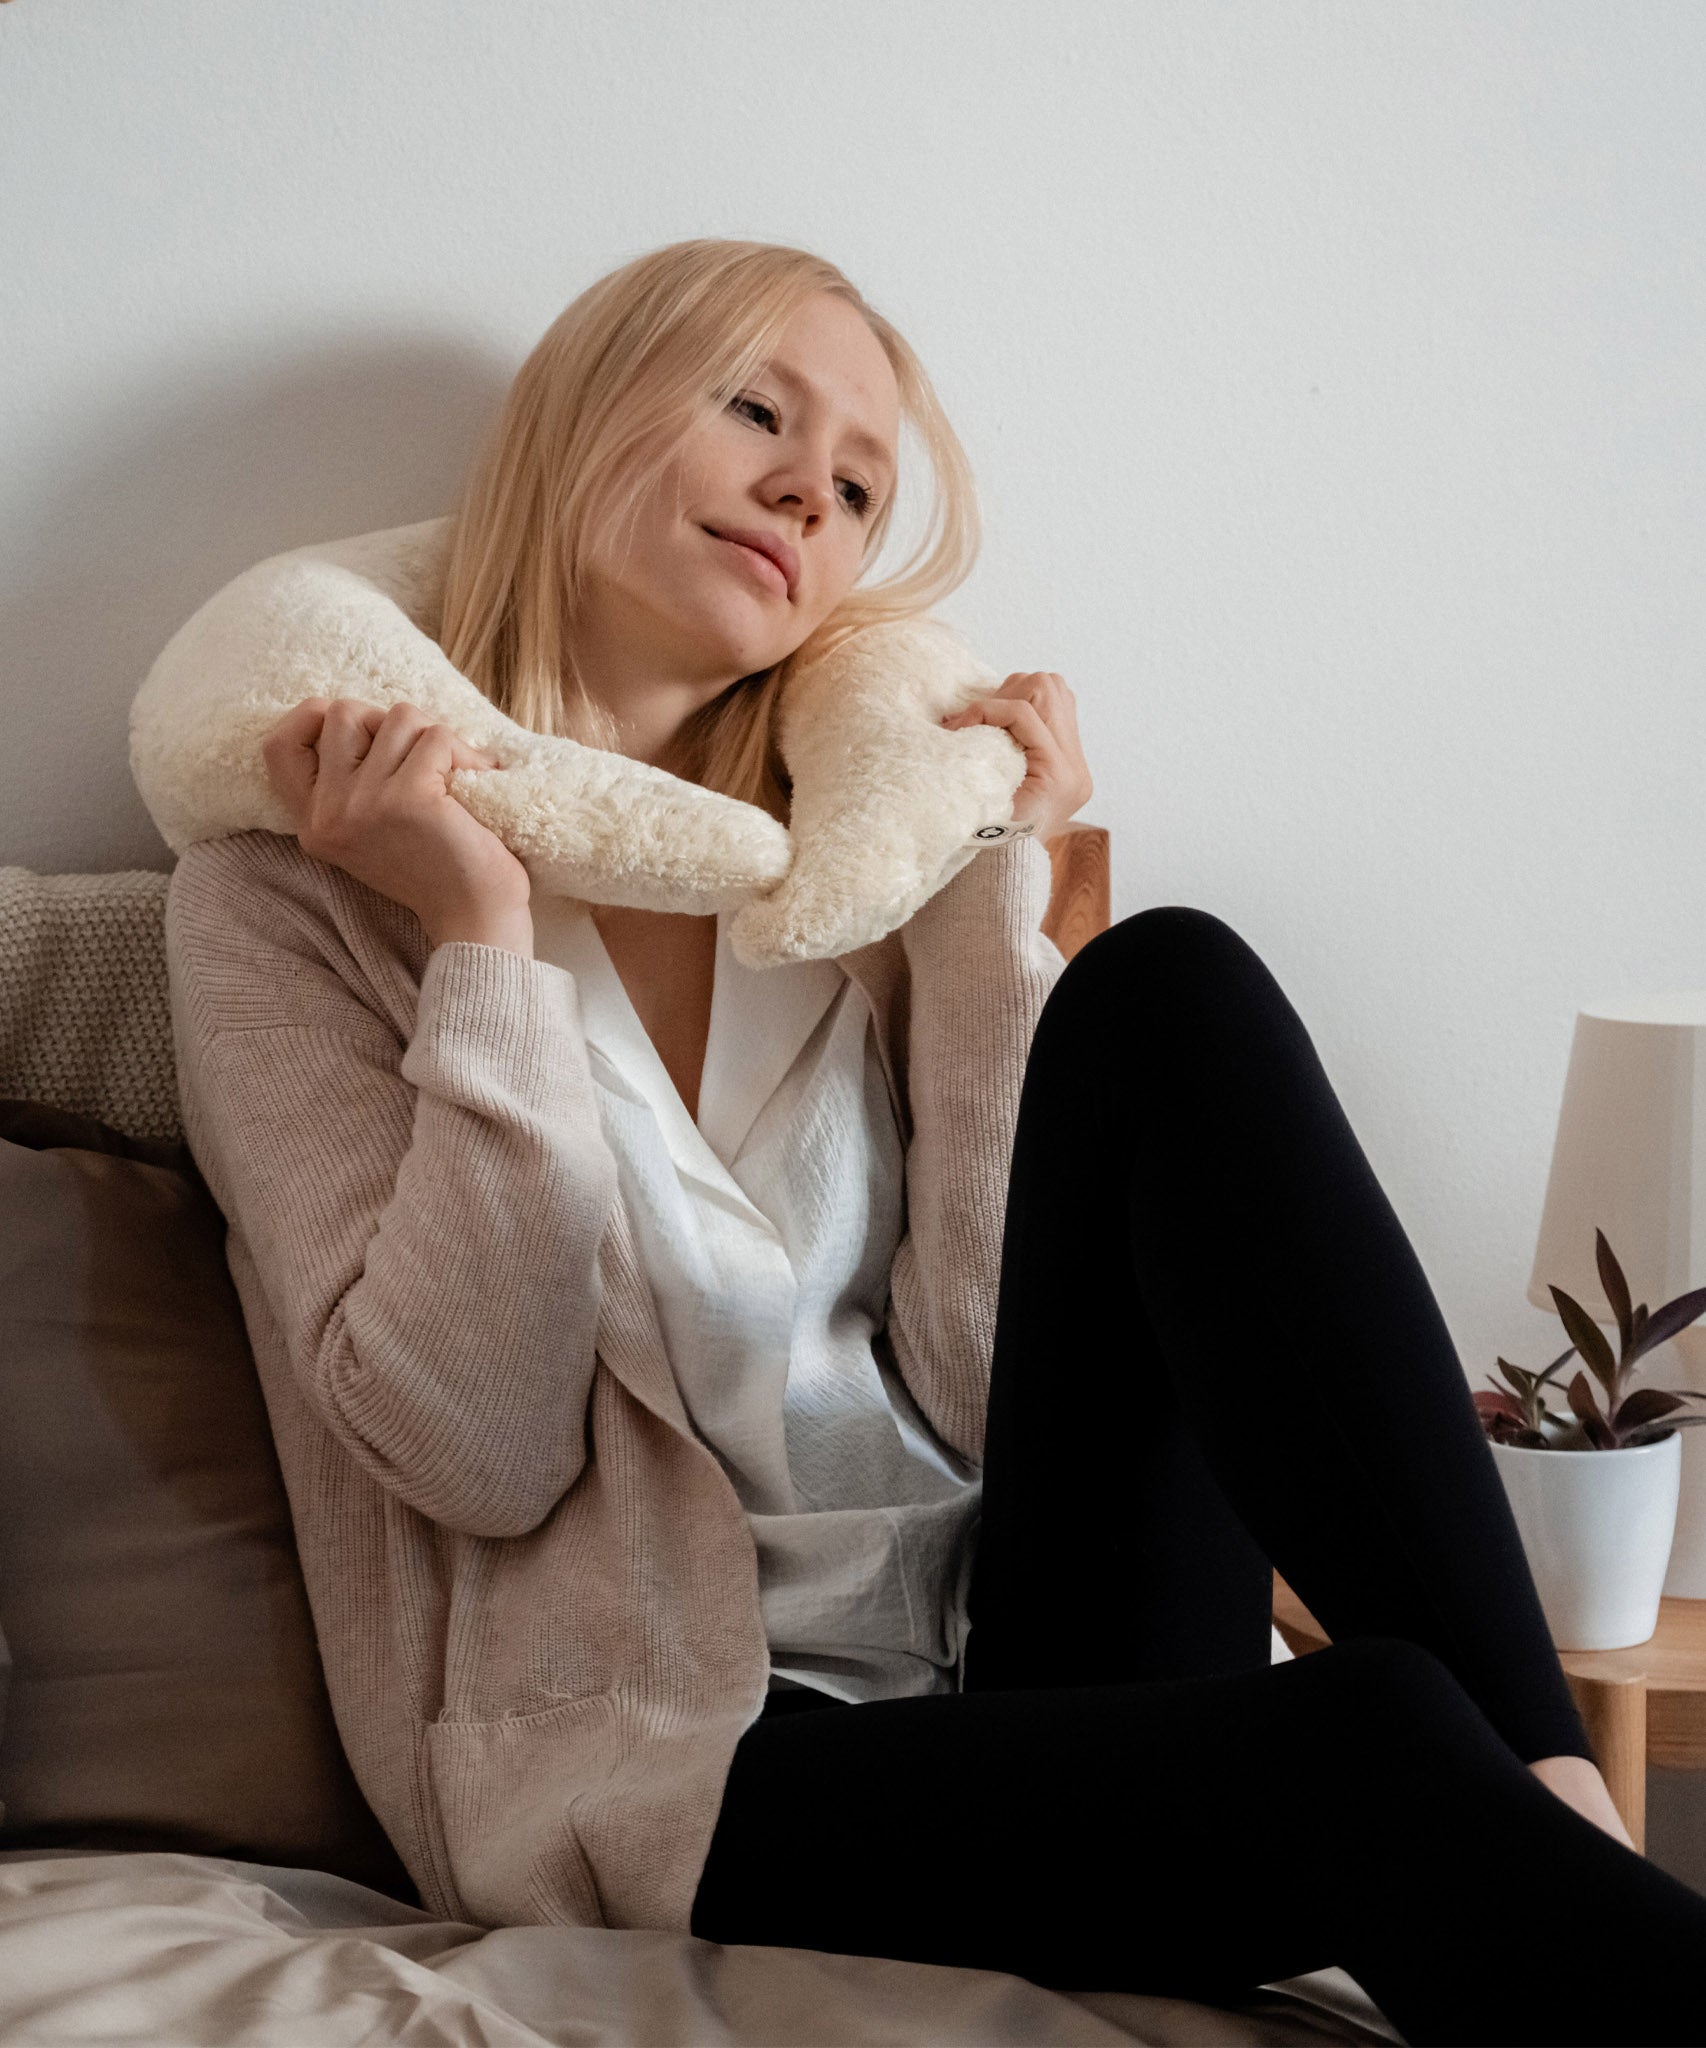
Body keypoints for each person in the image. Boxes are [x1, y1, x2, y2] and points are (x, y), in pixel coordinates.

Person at [166, 238, 1706, 2048]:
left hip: (1017, 1663)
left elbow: (985, 1375)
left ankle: (1554, 1784)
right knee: (1362, 1735)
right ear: (579, 413)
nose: (809, 488)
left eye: (859, 486)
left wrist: (981, 889)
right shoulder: (292, 899)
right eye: (759, 410)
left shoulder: (855, 881)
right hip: (682, 1768)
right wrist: (479, 940)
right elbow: (471, 1450)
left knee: (1169, 986)